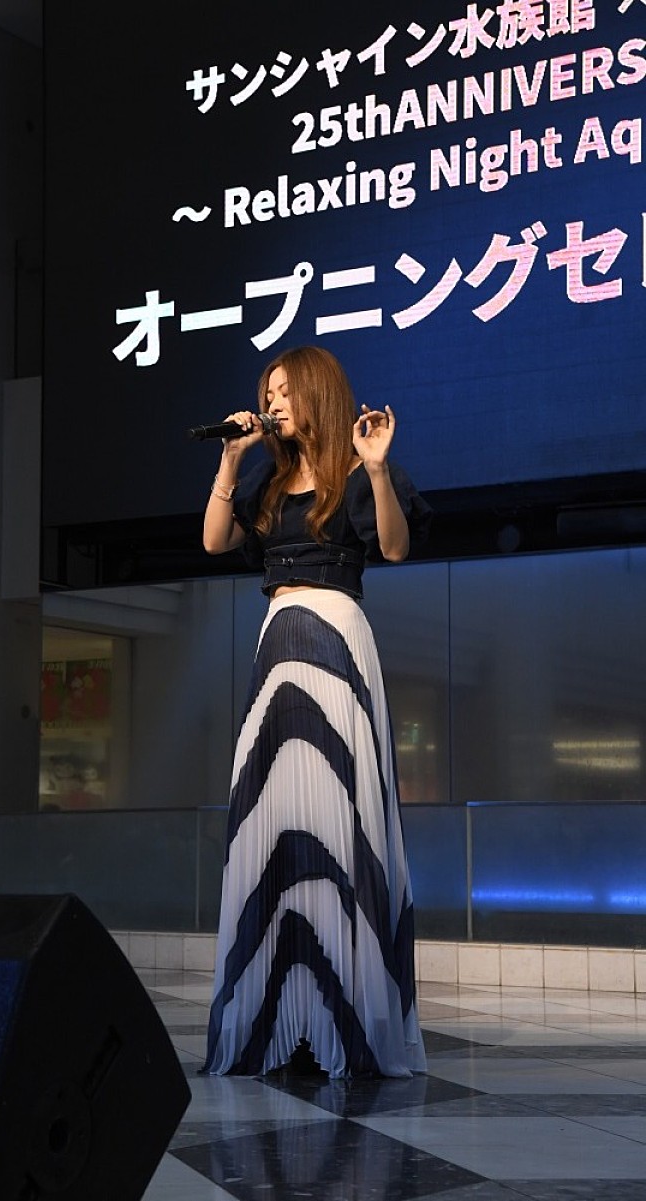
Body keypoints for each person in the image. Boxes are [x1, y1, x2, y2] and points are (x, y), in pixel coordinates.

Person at [201, 345, 430, 1079]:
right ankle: (277, 1014)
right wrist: (232, 459)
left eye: (284, 390)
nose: (273, 402)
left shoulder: (356, 474)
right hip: (277, 641)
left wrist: (378, 469)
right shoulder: (267, 484)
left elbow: (394, 547)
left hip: (335, 638)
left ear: (315, 394)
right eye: (267, 391)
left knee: (337, 815)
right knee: (274, 817)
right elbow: (214, 540)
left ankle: (346, 1012)